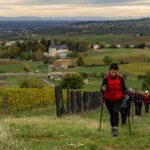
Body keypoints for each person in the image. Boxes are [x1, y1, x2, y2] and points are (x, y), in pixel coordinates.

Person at [101, 63, 127, 136]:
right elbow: (102, 89)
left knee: (115, 112)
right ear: (110, 71)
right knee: (112, 114)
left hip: (118, 98)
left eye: (115, 72)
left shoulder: (121, 78)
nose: (113, 73)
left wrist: (126, 94)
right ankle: (112, 128)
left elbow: (124, 88)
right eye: (112, 71)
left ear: (117, 71)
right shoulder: (106, 78)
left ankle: (115, 129)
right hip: (108, 99)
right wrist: (103, 89)